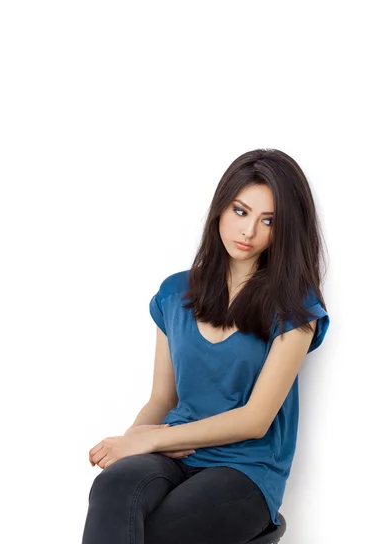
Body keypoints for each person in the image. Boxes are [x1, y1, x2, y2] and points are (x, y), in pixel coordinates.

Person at [81, 148, 330, 544]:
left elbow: (256, 419)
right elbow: (162, 398)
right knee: (112, 489)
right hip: (174, 454)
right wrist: (132, 441)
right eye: (240, 211)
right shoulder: (174, 293)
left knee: (158, 532)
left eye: (269, 221)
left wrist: (154, 438)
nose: (248, 232)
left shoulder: (294, 308)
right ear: (220, 208)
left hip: (245, 468)